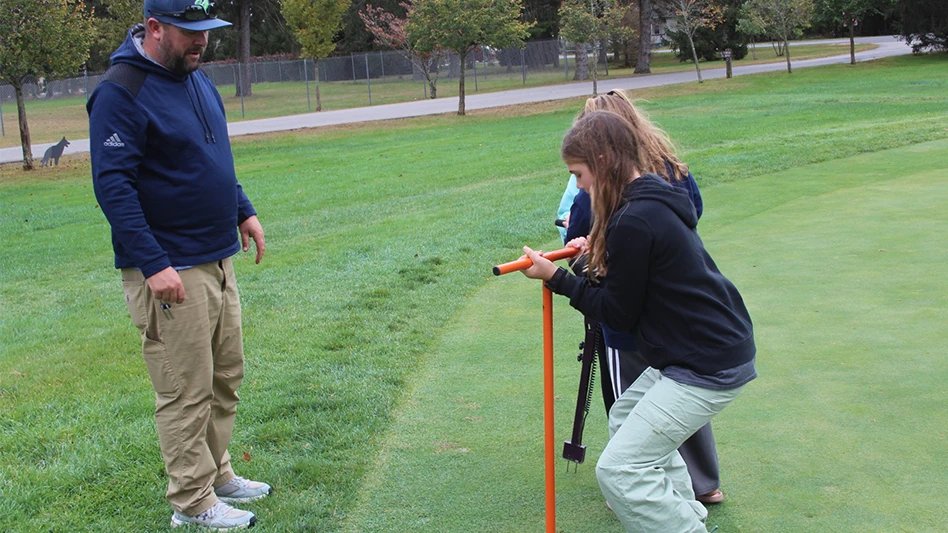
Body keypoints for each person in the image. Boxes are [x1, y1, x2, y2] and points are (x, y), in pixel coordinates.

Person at [523, 110, 756, 533]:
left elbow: (618, 314)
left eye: (579, 174)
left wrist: (556, 277)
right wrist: (585, 258)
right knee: (626, 418)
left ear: (603, 162)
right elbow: (628, 281)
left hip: (706, 362)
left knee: (619, 469)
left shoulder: (636, 218)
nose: (579, 185)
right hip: (702, 349)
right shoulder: (646, 201)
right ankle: (688, 512)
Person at [88, 0, 271, 529]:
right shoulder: (121, 91)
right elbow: (113, 187)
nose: (201, 42)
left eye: (207, 31)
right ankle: (191, 504)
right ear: (153, 28)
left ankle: (218, 475)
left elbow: (213, 154)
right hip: (170, 268)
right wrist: (152, 264)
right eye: (189, 32)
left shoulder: (193, 76)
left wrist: (243, 211)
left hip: (216, 256)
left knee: (224, 376)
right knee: (184, 389)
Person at [559, 90, 724, 505]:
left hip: (633, 318)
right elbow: (692, 214)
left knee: (632, 406)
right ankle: (703, 483)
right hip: (676, 315)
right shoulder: (672, 169)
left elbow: (583, 231)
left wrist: (567, 264)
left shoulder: (601, 189)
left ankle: (637, 486)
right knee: (678, 396)